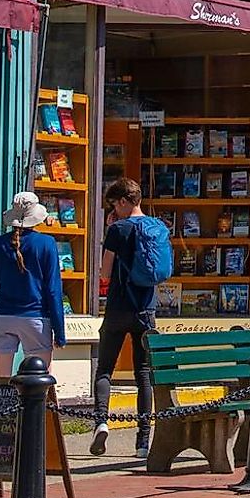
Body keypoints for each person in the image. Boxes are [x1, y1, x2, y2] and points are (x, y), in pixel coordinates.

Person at [91, 178, 173, 457]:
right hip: (146, 309)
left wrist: (110, 232)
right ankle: (142, 441)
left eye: (115, 203)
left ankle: (101, 422)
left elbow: (104, 273)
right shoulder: (158, 226)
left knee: (104, 370)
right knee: (143, 374)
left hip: (117, 308)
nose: (114, 209)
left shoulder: (118, 229)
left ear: (124, 201)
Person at [0, 192, 67, 378]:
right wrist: (59, 332)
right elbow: (53, 290)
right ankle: (35, 408)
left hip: (3, 316)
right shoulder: (46, 243)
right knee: (40, 378)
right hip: (35, 317)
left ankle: (2, 407)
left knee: (1, 379)